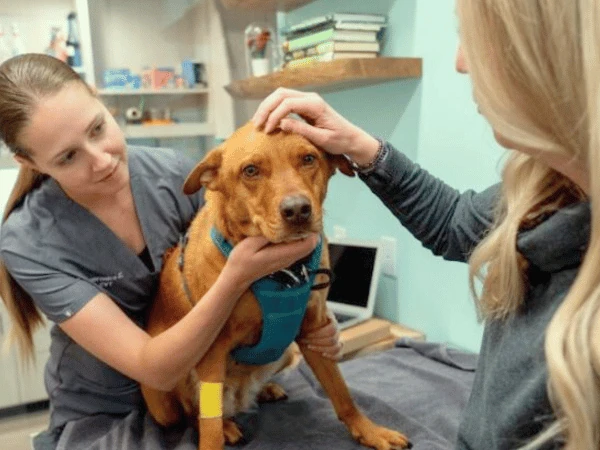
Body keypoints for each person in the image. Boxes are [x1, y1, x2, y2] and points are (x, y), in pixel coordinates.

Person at [252, 1, 599, 449]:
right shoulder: (543, 187)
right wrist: (361, 145)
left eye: (473, 39)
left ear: (549, 53)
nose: (459, 62)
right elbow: (456, 223)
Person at [0, 53, 342, 450]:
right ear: (28, 161)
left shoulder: (175, 176)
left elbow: (269, 264)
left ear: (101, 101)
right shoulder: (29, 241)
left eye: (97, 128)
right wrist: (234, 278)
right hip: (104, 411)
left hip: (213, 383)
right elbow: (156, 369)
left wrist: (316, 315)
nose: (102, 160)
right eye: (68, 156)